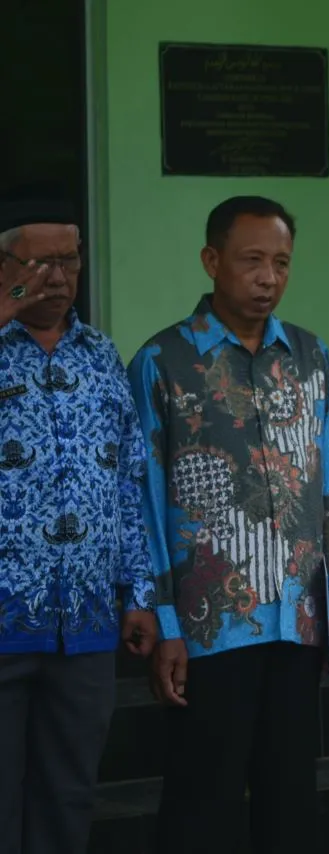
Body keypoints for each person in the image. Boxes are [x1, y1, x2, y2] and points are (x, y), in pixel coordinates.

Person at [128, 195, 329, 854]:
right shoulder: (162, 362)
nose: (268, 277)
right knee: (204, 799)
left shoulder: (311, 357)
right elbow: (143, 501)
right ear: (211, 260)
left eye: (281, 262)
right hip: (207, 626)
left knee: (291, 798)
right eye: (251, 260)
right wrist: (164, 619)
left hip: (297, 617)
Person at [0, 186, 157, 854]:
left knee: (69, 794)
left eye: (70, 260)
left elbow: (129, 481)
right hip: (5, 617)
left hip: (86, 620)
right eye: (40, 265)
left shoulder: (100, 357)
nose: (59, 278)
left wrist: (141, 593)